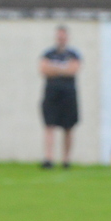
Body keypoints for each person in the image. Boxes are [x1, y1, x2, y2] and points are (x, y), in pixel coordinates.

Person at [39, 25, 82, 169]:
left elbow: (73, 69)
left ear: (67, 37)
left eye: (63, 36)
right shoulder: (48, 54)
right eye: (59, 36)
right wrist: (63, 68)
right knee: (49, 125)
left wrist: (55, 69)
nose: (61, 38)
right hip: (51, 94)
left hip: (68, 95)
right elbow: (44, 69)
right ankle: (49, 158)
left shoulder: (73, 54)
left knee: (68, 127)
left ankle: (66, 160)